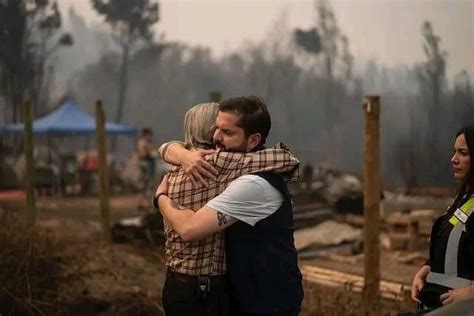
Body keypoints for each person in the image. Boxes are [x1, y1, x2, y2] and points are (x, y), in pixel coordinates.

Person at [156, 96, 304, 315]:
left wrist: (160, 196)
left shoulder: (252, 184)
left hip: (267, 302)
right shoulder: (220, 166)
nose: (216, 137)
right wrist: (181, 153)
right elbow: (284, 159)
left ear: (253, 140)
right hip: (244, 294)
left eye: (227, 132)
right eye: (216, 129)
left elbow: (190, 229)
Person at [411, 125, 474, 312]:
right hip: (439, 303)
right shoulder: (464, 199)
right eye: (454, 152)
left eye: (463, 153)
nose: (454, 159)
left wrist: (470, 293)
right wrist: (426, 270)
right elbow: (460, 250)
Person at [137, 128, 156, 209]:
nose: (150, 137)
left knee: (148, 185)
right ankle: (143, 203)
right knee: (145, 185)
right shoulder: (142, 143)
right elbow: (143, 154)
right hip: (145, 164)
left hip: (148, 164)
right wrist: (150, 153)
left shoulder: (147, 143)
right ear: (145, 135)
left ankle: (146, 203)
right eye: (149, 135)